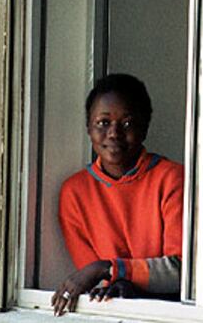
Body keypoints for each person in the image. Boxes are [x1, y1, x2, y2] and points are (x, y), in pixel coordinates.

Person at [51, 73, 184, 316]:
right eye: (103, 123)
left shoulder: (172, 179)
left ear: (144, 127)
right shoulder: (75, 192)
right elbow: (93, 278)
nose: (114, 133)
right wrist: (114, 278)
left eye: (127, 123)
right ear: (88, 128)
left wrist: (110, 269)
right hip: (110, 312)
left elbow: (180, 271)